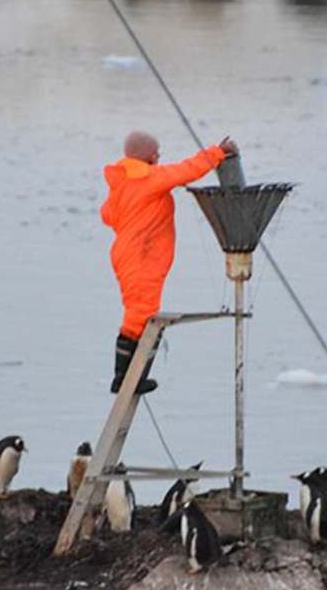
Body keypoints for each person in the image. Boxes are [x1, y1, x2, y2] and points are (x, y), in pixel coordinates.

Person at [100, 130, 240, 394]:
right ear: (148, 155)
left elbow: (107, 215)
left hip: (128, 252)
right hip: (140, 254)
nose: (160, 155)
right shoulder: (148, 178)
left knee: (140, 312)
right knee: (140, 314)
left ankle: (130, 376)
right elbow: (186, 170)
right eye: (157, 150)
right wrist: (219, 152)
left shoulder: (123, 183)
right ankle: (125, 379)